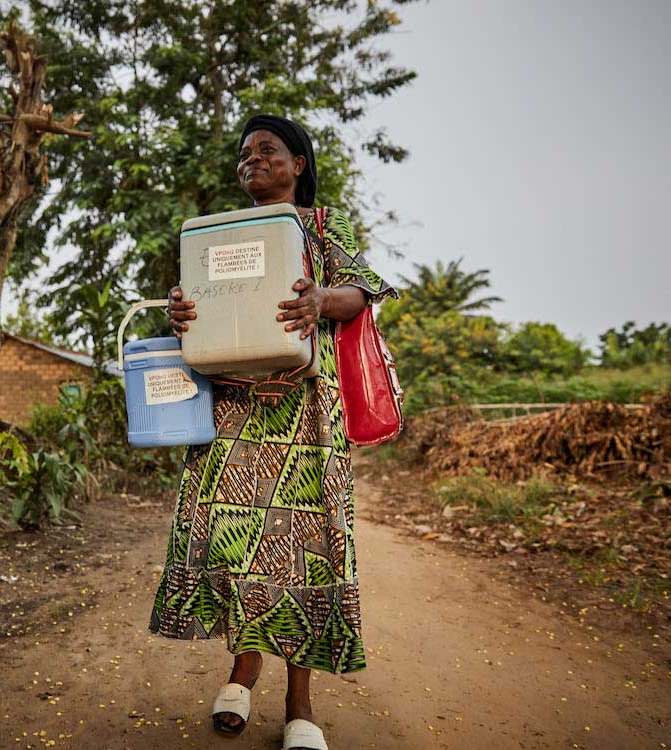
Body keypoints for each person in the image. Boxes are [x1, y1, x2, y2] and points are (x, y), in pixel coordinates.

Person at [150, 114, 396, 750]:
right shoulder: (218, 233)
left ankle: (300, 704)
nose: (252, 160)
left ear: (299, 165)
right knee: (237, 549)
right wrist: (181, 309)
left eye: (268, 150)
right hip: (231, 410)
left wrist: (319, 300)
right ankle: (240, 676)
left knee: (306, 552)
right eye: (244, 154)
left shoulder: (322, 225)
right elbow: (200, 309)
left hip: (306, 415)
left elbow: (362, 293)